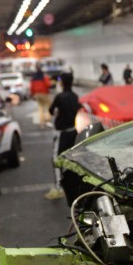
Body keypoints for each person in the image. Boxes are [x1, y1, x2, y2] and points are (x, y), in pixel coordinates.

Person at [46, 72, 81, 200]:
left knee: (56, 159)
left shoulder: (60, 97)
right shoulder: (75, 96)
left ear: (61, 82)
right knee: (72, 158)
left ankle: (58, 187)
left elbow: (51, 111)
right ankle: (75, 184)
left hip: (62, 133)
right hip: (73, 131)